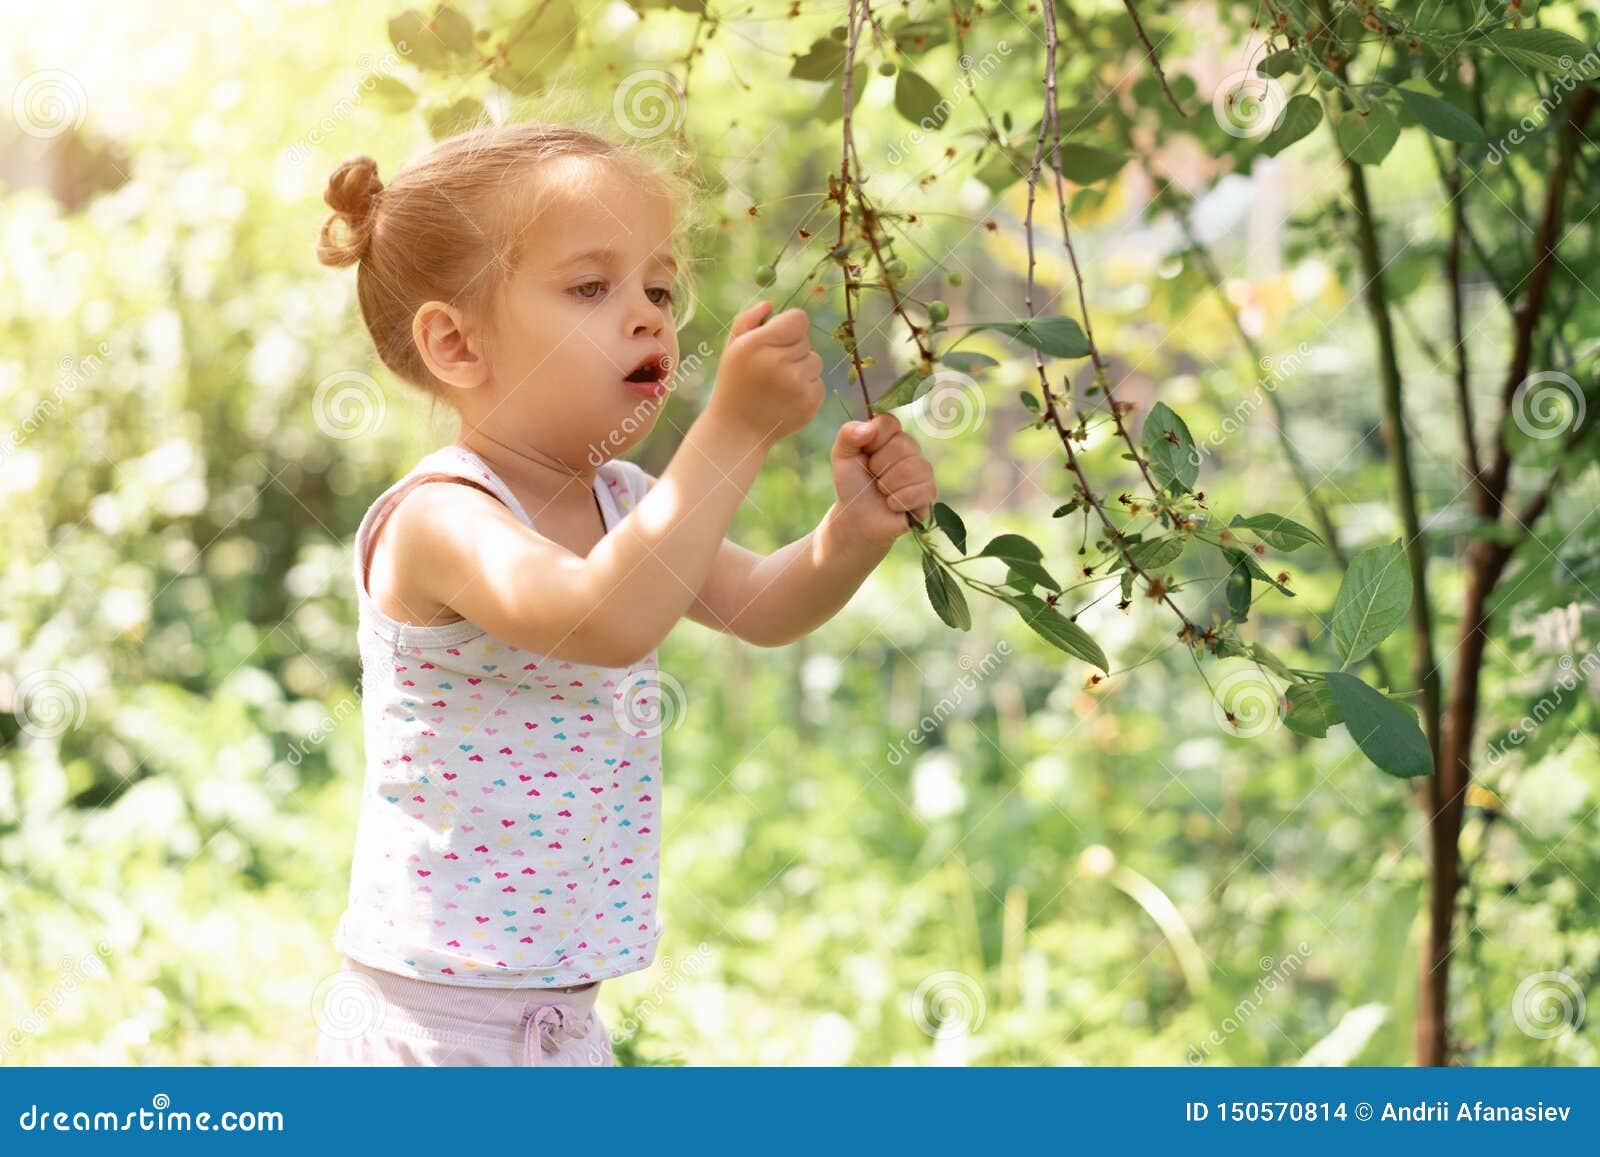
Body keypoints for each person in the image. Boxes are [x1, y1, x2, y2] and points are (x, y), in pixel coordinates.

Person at [310, 120, 936, 1065]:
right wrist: (732, 430)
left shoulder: (622, 502)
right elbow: (602, 616)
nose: (649, 316)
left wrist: (848, 533)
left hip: (564, 1022)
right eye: (591, 287)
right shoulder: (440, 518)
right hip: (431, 1025)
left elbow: (760, 606)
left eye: (658, 286)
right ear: (455, 343)